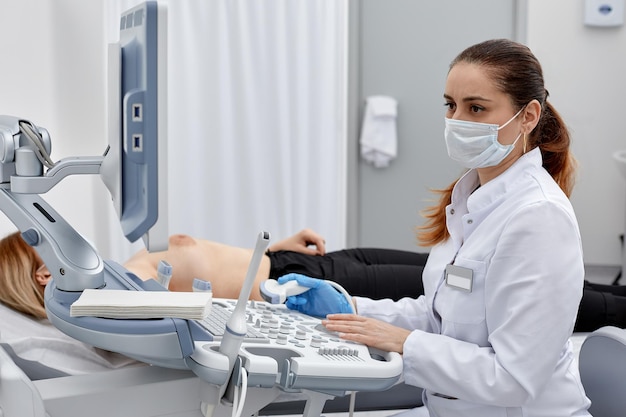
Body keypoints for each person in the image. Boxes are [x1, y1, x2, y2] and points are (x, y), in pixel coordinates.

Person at [281, 39, 593, 416]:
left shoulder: (538, 217)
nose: (457, 120)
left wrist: (406, 344)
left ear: (527, 116)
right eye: (451, 105)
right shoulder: (471, 200)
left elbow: (514, 378)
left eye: (476, 108)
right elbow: (441, 317)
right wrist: (350, 311)